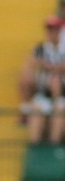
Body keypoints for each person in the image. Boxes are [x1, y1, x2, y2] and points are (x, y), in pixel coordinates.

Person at [20, 16, 65, 144]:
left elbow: (61, 68)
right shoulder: (40, 48)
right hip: (43, 93)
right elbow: (29, 65)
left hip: (62, 95)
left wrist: (43, 64)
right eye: (50, 30)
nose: (52, 33)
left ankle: (53, 146)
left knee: (59, 111)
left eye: (55, 30)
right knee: (37, 111)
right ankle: (35, 148)